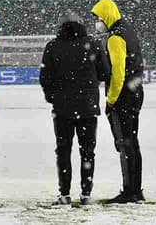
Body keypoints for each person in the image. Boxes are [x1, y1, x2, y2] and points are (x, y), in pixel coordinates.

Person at [40, 11, 110, 206]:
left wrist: (53, 97)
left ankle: (64, 193)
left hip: (62, 109)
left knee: (63, 150)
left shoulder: (52, 46)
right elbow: (105, 73)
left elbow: (45, 78)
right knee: (87, 151)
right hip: (87, 108)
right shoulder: (93, 44)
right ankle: (86, 193)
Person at [91, 0, 144, 204]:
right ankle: (136, 188)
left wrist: (111, 99)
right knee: (133, 143)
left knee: (125, 144)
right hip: (136, 93)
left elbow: (118, 73)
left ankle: (129, 191)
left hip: (123, 97)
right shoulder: (129, 32)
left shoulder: (115, 37)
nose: (96, 21)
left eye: (97, 17)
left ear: (106, 16)